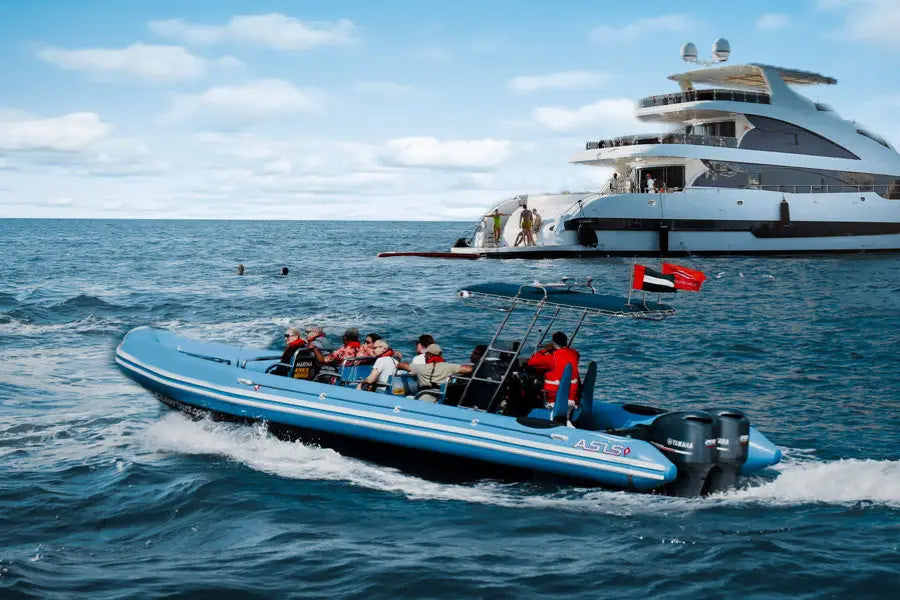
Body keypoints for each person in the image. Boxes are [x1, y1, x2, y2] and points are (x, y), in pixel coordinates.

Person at [396, 344, 473, 402]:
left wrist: (399, 362)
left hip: (425, 396)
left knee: (408, 398)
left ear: (429, 355)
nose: (424, 356)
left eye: (425, 354)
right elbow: (468, 369)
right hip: (442, 396)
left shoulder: (421, 368)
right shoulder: (449, 367)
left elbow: (402, 365)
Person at [526, 331, 580, 408]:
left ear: (554, 343)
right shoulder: (574, 354)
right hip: (571, 397)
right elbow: (575, 356)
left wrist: (544, 350)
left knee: (533, 386)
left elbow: (531, 363)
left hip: (554, 398)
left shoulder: (551, 358)